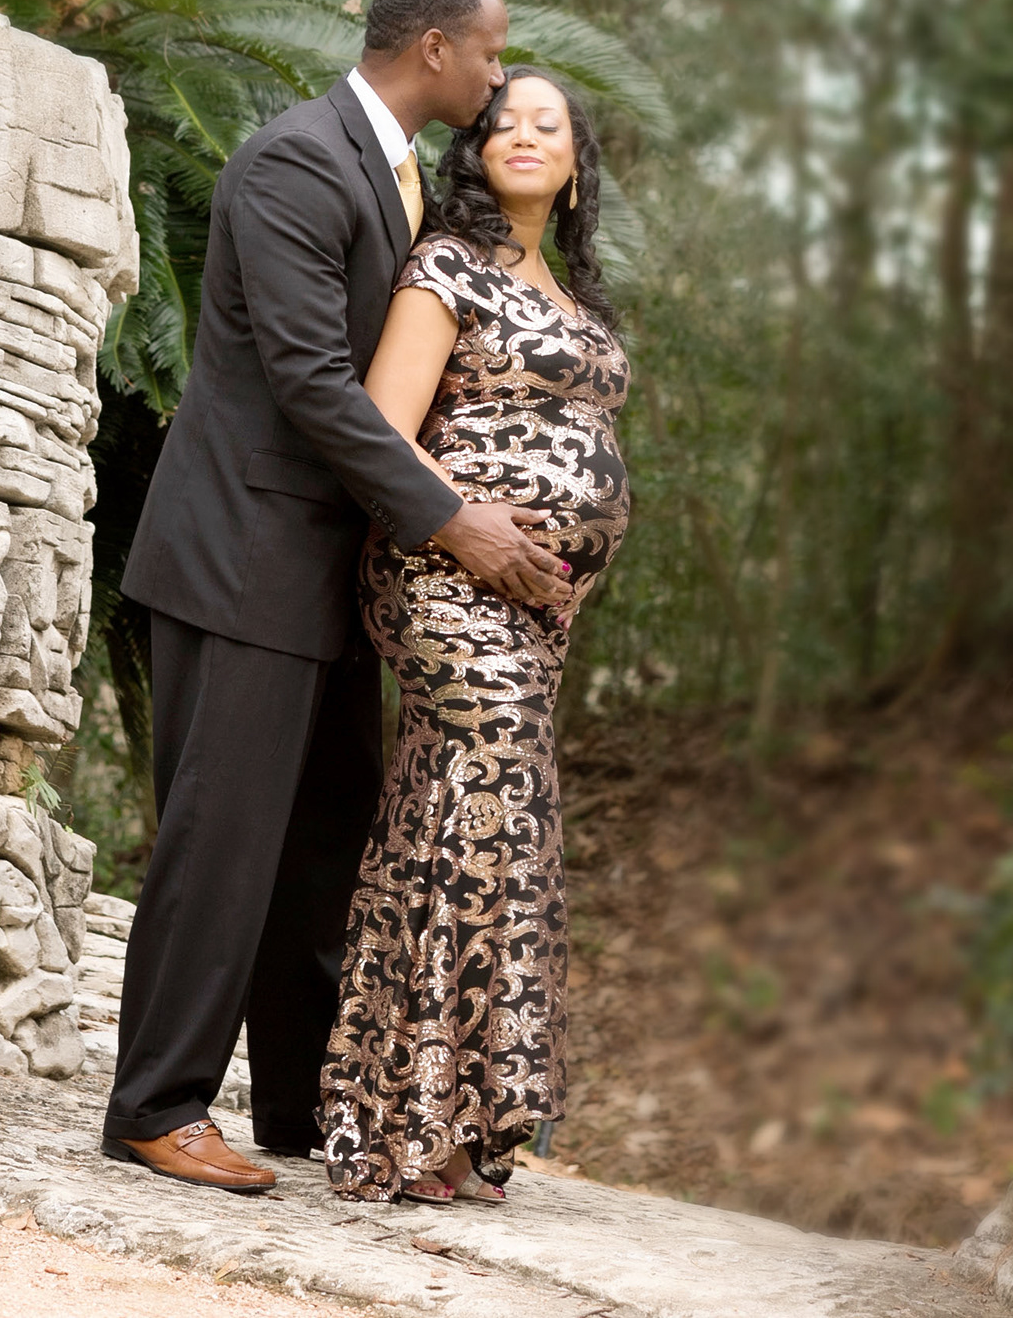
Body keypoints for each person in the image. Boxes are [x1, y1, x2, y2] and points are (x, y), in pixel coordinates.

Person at [101, 0, 570, 1194]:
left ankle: (306, 1107)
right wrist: (453, 521)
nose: (499, 75)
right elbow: (311, 379)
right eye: (490, 52)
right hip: (243, 558)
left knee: (321, 848)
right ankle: (157, 1105)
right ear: (433, 48)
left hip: (330, 577)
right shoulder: (296, 162)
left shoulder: (401, 176)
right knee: (220, 840)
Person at [320, 65, 630, 1204]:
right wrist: (469, 528)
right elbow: (379, 428)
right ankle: (422, 1117)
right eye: (505, 121)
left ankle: (417, 1112)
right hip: (442, 572)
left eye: (550, 123)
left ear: (578, 162)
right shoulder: (445, 265)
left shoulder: (578, 297)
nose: (524, 133)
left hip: (538, 609)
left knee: (456, 812)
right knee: (490, 799)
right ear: (477, 150)